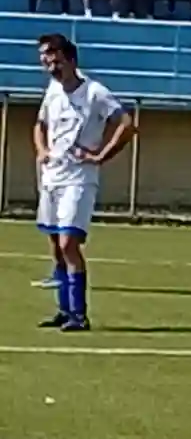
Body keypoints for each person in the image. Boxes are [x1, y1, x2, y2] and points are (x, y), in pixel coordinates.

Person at [33, 33, 136, 332]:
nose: (51, 67)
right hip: (52, 176)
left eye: (56, 61)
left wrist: (100, 156)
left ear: (71, 60)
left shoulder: (95, 93)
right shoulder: (53, 90)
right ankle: (64, 310)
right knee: (56, 243)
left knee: (69, 243)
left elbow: (126, 124)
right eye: (45, 61)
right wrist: (42, 150)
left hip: (79, 179)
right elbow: (40, 124)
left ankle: (79, 314)